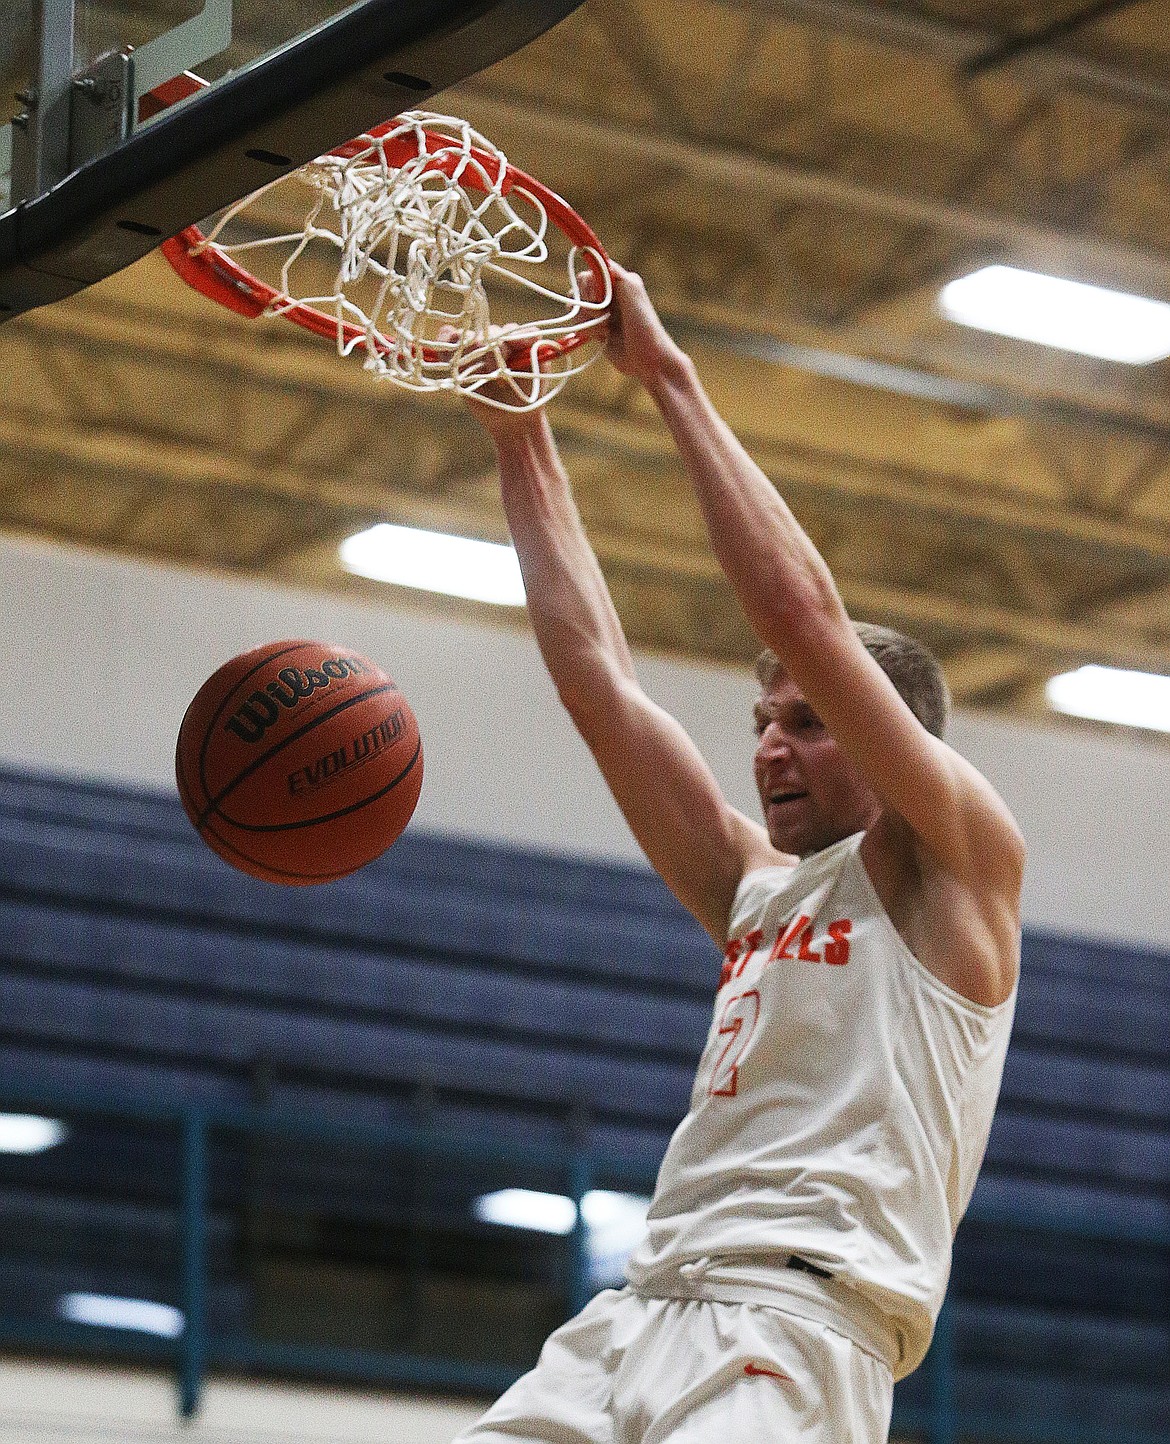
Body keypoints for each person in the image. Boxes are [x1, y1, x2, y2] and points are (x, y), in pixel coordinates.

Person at [451, 265, 1024, 1443]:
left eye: (807, 724)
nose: (771, 751)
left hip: (795, 1326)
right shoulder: (755, 887)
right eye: (761, 727)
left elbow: (797, 614)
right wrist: (522, 439)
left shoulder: (959, 866)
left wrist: (666, 378)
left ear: (889, 737)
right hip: (636, 1312)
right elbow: (600, 683)